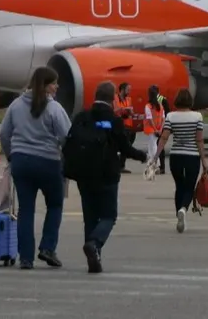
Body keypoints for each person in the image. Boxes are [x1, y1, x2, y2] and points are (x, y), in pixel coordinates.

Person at [0, 66, 73, 269]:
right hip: (48, 162)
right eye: (55, 83)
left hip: (21, 162)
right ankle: (47, 247)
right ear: (47, 85)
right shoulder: (54, 108)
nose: (57, 86)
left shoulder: (16, 105)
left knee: (26, 210)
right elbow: (67, 136)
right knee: (55, 205)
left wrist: (11, 155)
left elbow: (4, 133)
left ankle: (25, 258)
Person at [71, 81, 148, 273]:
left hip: (83, 174)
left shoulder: (82, 117)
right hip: (106, 174)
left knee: (90, 217)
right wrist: (142, 156)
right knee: (108, 215)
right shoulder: (114, 120)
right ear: (112, 98)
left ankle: (93, 257)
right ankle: (95, 244)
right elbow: (125, 148)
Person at [151, 87, 208, 233]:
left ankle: (178, 215)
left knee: (179, 186)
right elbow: (200, 140)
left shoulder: (171, 116)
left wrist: (156, 156)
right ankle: (183, 209)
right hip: (192, 156)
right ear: (190, 100)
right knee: (189, 187)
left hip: (176, 156)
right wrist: (204, 161)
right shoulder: (197, 117)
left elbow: (164, 137)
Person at [146, 85, 170, 174]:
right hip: (156, 127)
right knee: (155, 147)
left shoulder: (161, 100)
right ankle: (158, 166)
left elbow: (166, 113)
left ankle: (161, 167)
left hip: (160, 126)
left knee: (159, 146)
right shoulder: (152, 101)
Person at [114, 83, 135, 173]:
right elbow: (115, 110)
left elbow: (132, 113)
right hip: (118, 125)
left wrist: (130, 111)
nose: (129, 92)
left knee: (126, 146)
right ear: (122, 89)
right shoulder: (115, 98)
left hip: (127, 125)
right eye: (128, 89)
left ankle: (121, 166)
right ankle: (115, 165)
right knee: (116, 146)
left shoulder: (129, 99)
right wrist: (124, 109)